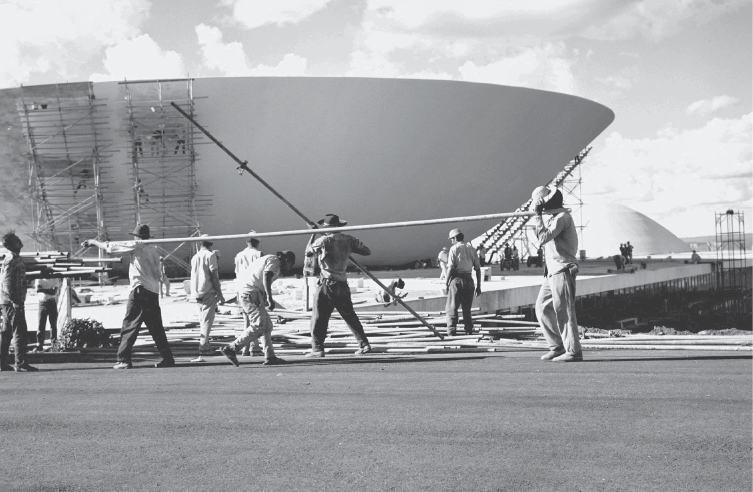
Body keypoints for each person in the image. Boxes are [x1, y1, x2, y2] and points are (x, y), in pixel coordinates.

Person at [83, 224, 175, 369]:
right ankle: (168, 358)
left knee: (130, 325)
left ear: (137, 237)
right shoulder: (154, 250)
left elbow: (111, 248)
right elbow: (159, 275)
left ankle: (123, 359)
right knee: (156, 328)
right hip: (152, 291)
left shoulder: (137, 245)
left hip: (140, 290)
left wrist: (93, 242)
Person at [304, 214, 372, 357]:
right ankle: (364, 344)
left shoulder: (323, 240)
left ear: (327, 228)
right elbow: (366, 251)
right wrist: (348, 250)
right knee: (350, 316)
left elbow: (308, 252)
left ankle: (317, 349)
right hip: (342, 283)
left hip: (328, 284)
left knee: (319, 318)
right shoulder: (348, 239)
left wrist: (312, 234)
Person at [531, 185, 582, 362]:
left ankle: (574, 351)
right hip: (551, 271)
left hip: (562, 268)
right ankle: (557, 346)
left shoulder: (563, 218)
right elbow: (541, 238)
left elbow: (544, 238)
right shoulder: (553, 219)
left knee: (565, 311)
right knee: (542, 307)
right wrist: (539, 219)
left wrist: (537, 216)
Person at [219, 251, 296, 367]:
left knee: (267, 326)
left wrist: (264, 296)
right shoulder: (275, 261)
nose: (289, 268)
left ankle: (270, 356)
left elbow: (258, 277)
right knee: (259, 325)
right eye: (290, 265)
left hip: (250, 293)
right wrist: (270, 298)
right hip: (252, 294)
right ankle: (232, 348)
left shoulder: (268, 259)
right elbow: (266, 275)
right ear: (286, 260)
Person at [1, 231, 37, 372]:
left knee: (7, 333)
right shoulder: (11, 260)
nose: (20, 241)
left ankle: (2, 363)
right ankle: (20, 363)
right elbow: (6, 282)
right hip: (12, 302)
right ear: (11, 245)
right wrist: (14, 300)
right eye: (16, 240)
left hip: (9, 301)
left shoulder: (15, 259)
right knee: (19, 332)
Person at [190, 235, 225, 359]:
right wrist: (220, 294)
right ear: (211, 244)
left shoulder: (195, 257)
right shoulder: (210, 256)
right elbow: (213, 276)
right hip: (208, 290)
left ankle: (206, 345)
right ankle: (204, 346)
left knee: (202, 320)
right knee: (207, 321)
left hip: (197, 291)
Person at [444, 228, 481, 336]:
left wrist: (446, 283)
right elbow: (478, 269)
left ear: (455, 238)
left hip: (457, 280)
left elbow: (450, 268)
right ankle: (469, 331)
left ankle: (451, 332)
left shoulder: (454, 249)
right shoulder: (472, 249)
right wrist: (478, 286)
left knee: (451, 308)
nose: (451, 241)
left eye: (452, 239)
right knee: (467, 309)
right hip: (469, 281)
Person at [233, 234, 264, 356]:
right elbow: (261, 273)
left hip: (241, 289)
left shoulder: (239, 255)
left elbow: (236, 272)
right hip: (253, 289)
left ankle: (245, 347)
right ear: (257, 242)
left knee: (246, 320)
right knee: (256, 321)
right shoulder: (258, 254)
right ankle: (254, 347)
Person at [33, 267, 60, 352]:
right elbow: (38, 289)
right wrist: (49, 290)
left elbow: (53, 292)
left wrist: (43, 290)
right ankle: (40, 344)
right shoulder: (39, 279)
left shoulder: (55, 279)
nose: (49, 275)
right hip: (42, 302)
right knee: (41, 324)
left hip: (51, 302)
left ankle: (54, 344)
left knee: (53, 324)